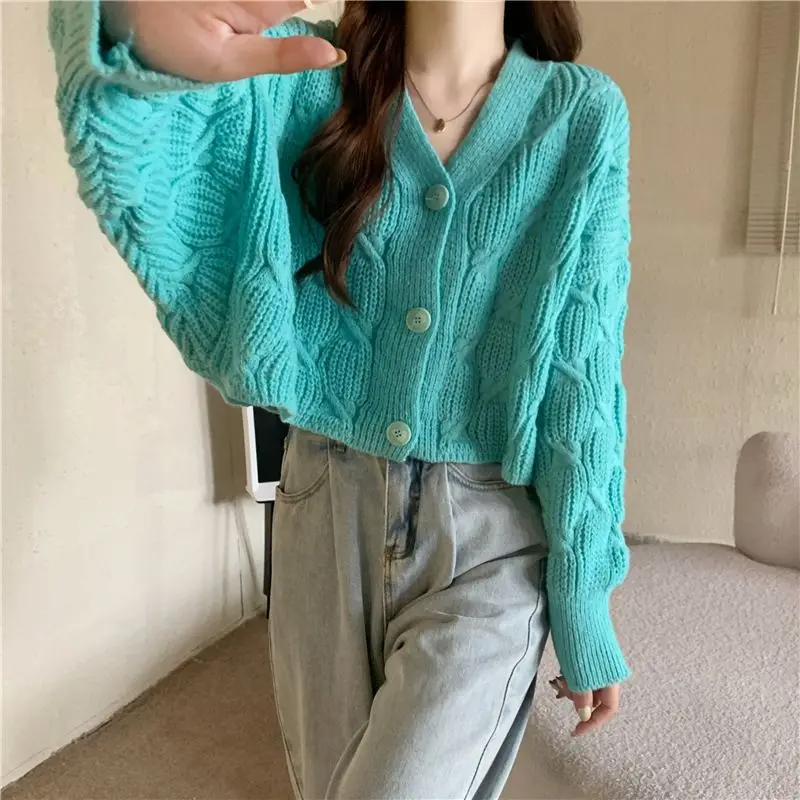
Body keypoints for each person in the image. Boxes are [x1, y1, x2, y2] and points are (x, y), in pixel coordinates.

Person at [49, 1, 632, 797]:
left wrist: (584, 594)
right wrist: (124, 23)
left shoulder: (581, 115)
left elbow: (581, 372)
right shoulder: (302, 77)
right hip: (320, 510)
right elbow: (148, 157)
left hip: (489, 535)